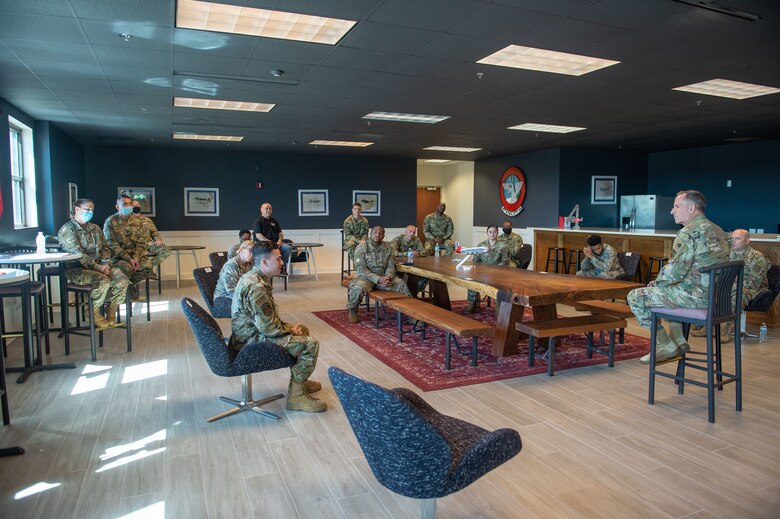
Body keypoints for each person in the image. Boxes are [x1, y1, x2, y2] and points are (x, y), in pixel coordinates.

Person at [627, 190, 730, 364]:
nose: (672, 211)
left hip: (696, 298)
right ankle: (679, 339)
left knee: (636, 297)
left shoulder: (689, 232)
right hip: (718, 297)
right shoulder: (719, 230)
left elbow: (675, 271)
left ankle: (664, 344)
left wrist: (656, 283)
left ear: (691, 208)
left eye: (676, 206)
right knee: (667, 292)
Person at [229, 242, 326, 413]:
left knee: (301, 329)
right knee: (310, 344)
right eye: (279, 259)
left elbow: (268, 320)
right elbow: (269, 329)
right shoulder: (257, 287)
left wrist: (291, 328)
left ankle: (300, 383)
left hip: (249, 334)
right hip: (250, 342)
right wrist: (289, 329)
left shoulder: (255, 277)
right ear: (265, 262)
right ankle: (296, 398)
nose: (283, 262)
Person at [58, 198, 130, 328]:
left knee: (122, 278)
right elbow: (78, 255)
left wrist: (105, 263)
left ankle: (112, 309)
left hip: (100, 266)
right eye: (87, 209)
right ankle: (93, 310)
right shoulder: (67, 230)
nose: (90, 212)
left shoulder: (95, 228)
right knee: (102, 280)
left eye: (92, 210)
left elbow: (106, 248)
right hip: (77, 270)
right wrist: (99, 267)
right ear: (77, 209)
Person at [691, 228, 770, 341]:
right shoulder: (726, 255)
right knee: (708, 291)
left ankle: (723, 331)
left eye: (737, 238)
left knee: (735, 295)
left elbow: (753, 283)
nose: (733, 241)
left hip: (753, 289)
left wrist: (727, 286)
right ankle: (706, 325)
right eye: (732, 238)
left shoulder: (757, 258)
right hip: (731, 286)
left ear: (747, 241)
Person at [347, 225, 413, 323]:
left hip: (384, 278)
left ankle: (412, 315)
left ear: (383, 235)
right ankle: (352, 311)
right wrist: (378, 279)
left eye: (380, 233)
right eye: (375, 232)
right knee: (358, 288)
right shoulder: (361, 248)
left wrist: (388, 277)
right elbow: (361, 269)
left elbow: (390, 266)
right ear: (370, 234)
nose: (378, 234)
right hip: (366, 278)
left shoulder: (388, 248)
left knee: (401, 284)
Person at [104, 193, 154, 297]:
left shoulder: (138, 221)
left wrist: (135, 257)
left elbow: (142, 241)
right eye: (125, 204)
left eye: (130, 203)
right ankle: (116, 294)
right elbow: (112, 244)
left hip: (135, 255)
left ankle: (129, 287)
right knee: (128, 268)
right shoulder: (110, 222)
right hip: (118, 257)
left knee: (147, 267)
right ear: (117, 207)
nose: (128, 206)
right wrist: (129, 259)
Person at [465, 225, 512, 314]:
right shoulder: (481, 245)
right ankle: (472, 303)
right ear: (487, 233)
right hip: (482, 272)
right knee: (471, 279)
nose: (492, 234)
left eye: (494, 232)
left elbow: (505, 261)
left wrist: (494, 270)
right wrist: (477, 269)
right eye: (490, 232)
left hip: (497, 273)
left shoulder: (503, 246)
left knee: (500, 284)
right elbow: (476, 260)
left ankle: (498, 305)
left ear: (497, 233)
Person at [131, 199, 171, 273]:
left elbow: (154, 232)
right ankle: (145, 270)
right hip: (135, 245)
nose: (136, 207)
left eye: (138, 205)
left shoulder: (147, 220)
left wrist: (158, 239)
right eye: (134, 205)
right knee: (134, 257)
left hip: (148, 243)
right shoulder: (128, 220)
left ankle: (148, 267)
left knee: (166, 249)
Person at [390, 225, 428, 295]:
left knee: (425, 276)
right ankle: (406, 294)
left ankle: (413, 295)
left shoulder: (416, 240)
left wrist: (418, 253)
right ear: (405, 232)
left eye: (414, 232)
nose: (412, 234)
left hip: (413, 265)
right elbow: (393, 253)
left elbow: (425, 252)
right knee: (400, 278)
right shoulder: (398, 239)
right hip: (399, 266)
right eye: (410, 231)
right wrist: (408, 254)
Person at [253, 202, 291, 267]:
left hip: (277, 244)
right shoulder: (258, 221)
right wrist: (271, 243)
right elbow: (258, 235)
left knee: (287, 248)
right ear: (261, 210)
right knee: (271, 253)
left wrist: (279, 241)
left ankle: (280, 267)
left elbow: (280, 233)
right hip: (265, 244)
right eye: (266, 208)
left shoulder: (274, 221)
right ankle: (270, 268)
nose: (268, 210)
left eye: (270, 209)